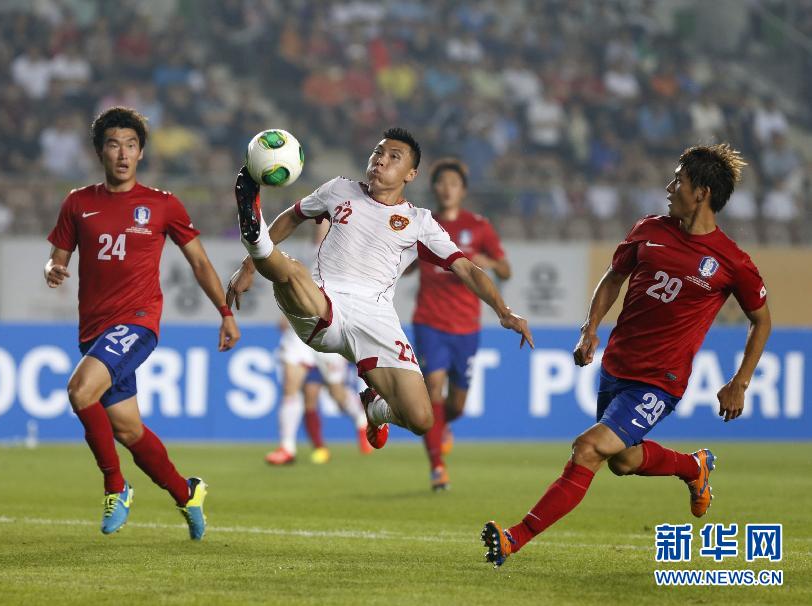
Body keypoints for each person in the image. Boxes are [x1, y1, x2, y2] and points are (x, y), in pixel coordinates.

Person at [482, 143, 771, 567]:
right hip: (617, 367)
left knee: (587, 448)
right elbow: (613, 277)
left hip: (661, 379)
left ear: (702, 192)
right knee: (623, 460)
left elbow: (761, 320)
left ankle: (513, 538)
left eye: (679, 180)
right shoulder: (650, 229)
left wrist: (740, 380)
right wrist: (591, 327)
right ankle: (693, 467)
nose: (670, 187)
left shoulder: (731, 261)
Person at [227, 127, 533, 455]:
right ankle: (255, 236)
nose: (380, 161)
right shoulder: (338, 189)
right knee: (292, 272)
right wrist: (248, 267)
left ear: (411, 174)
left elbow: (467, 269)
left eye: (393, 157)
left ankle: (375, 410)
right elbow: (292, 216)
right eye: (378, 153)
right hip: (323, 301)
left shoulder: (420, 222)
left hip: (376, 319)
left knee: (422, 418)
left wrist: (504, 311)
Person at [44, 107, 240, 540]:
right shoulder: (78, 202)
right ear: (100, 152)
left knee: (79, 391)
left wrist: (225, 313)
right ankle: (186, 492)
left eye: (131, 145)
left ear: (141, 153)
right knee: (128, 428)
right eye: (114, 144)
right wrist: (52, 270)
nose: (123, 153)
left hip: (137, 322)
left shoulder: (162, 204)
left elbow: (200, 263)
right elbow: (56, 259)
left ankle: (116, 487)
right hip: (94, 331)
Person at [409, 158, 510, 490]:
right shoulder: (421, 224)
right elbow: (404, 261)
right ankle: (437, 467)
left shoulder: (479, 226)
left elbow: (506, 270)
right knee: (433, 387)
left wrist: (490, 262)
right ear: (435, 188)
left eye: (454, 182)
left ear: (463, 190)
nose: (447, 187)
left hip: (466, 326)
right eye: (442, 182)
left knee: (456, 405)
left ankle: (442, 427)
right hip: (429, 322)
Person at [265, 320, 372, 465]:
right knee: (291, 389)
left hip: (326, 331)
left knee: (336, 394)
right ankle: (287, 448)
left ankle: (361, 420)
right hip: (299, 333)